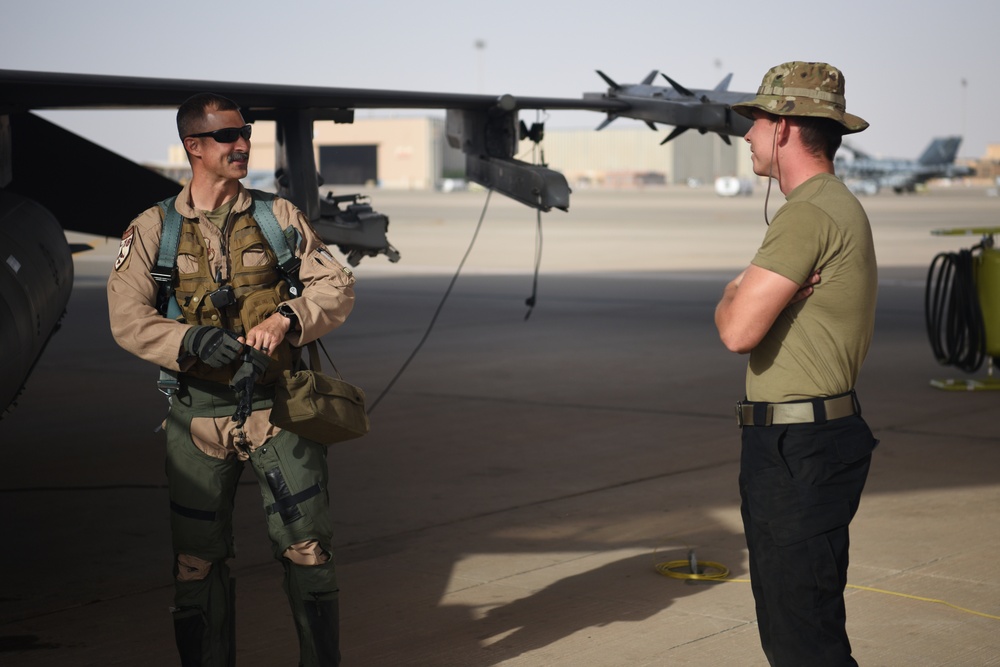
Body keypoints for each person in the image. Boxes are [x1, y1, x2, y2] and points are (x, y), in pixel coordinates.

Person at [108, 92, 356, 666]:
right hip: (197, 414)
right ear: (194, 146)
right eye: (226, 136)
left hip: (280, 411)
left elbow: (335, 286)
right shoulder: (153, 229)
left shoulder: (278, 216)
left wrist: (288, 318)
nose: (242, 144)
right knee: (196, 562)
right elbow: (127, 318)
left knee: (309, 551)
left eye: (244, 133)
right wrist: (188, 340)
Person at [714, 62, 879, 666]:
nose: (749, 135)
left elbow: (735, 330)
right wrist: (747, 284)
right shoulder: (830, 206)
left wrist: (737, 288)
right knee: (801, 622)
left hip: (797, 449)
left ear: (784, 128)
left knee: (801, 637)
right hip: (807, 443)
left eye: (756, 121)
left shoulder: (807, 214)